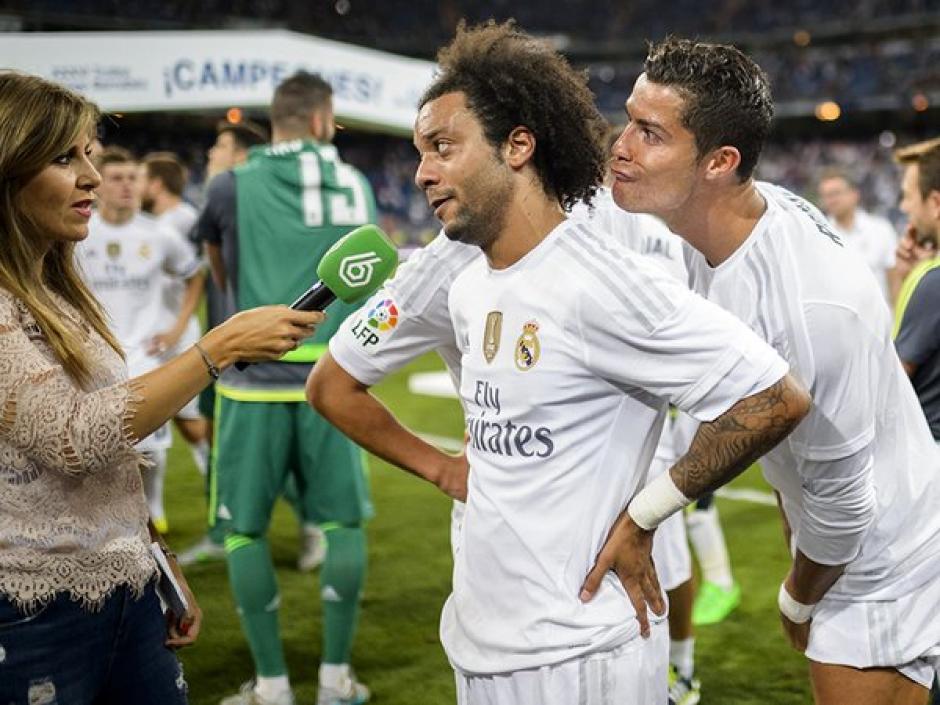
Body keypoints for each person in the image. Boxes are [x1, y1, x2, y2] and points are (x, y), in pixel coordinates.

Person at [307, 21, 810, 705]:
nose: (423, 171)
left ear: (519, 145)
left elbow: (772, 397)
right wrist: (445, 468)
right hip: (481, 637)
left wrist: (646, 515)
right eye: (420, 151)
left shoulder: (601, 282)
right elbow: (333, 384)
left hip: (582, 650)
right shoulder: (466, 275)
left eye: (443, 147)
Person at [604, 36, 940, 705]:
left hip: (882, 562)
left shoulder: (811, 310)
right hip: (869, 520)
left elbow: (847, 508)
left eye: (650, 133)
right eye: (629, 121)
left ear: (719, 163)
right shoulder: (733, 224)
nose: (621, 146)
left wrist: (796, 597)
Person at [0, 70, 323, 704]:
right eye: (66, 158)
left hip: (128, 592)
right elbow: (73, 437)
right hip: (32, 611)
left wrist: (155, 557)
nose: (91, 176)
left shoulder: (58, 290)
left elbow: (107, 465)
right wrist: (218, 347)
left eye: (90, 154)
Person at [198, 71, 376, 705]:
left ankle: (272, 684)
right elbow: (368, 279)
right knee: (343, 523)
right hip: (335, 381)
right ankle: (335, 679)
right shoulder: (357, 183)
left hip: (251, 385)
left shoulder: (229, 185)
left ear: (279, 118)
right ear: (325, 119)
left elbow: (219, 272)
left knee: (244, 531)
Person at [77, 146, 204, 535]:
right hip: (94, 356)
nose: (126, 186)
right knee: (92, 446)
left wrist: (177, 327)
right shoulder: (79, 233)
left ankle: (154, 511)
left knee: (152, 446)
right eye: (116, 178)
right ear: (98, 185)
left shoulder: (159, 235)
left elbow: (194, 273)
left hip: (146, 356)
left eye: (133, 178)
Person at [179, 119, 271, 568]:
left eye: (220, 146)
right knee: (234, 442)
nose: (211, 153)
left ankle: (227, 530)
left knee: (243, 444)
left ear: (241, 155)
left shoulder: (236, 199)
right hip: (230, 342)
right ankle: (227, 528)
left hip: (242, 347)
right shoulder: (230, 202)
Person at [140, 151, 209, 471]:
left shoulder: (182, 219)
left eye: (141, 177)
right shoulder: (155, 222)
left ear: (155, 184)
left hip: (176, 330)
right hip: (157, 328)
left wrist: (179, 327)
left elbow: (198, 273)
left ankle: (216, 475)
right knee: (160, 414)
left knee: (188, 415)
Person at [894, 141, 940, 442]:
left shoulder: (934, 282)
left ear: (935, 203)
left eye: (909, 196)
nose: (904, 207)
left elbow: (892, 382)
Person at [816, 169, 898, 302]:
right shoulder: (818, 237)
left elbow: (894, 279)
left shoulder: (881, 229)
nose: (831, 200)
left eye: (836, 193)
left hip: (879, 320)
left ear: (854, 195)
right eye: (826, 196)